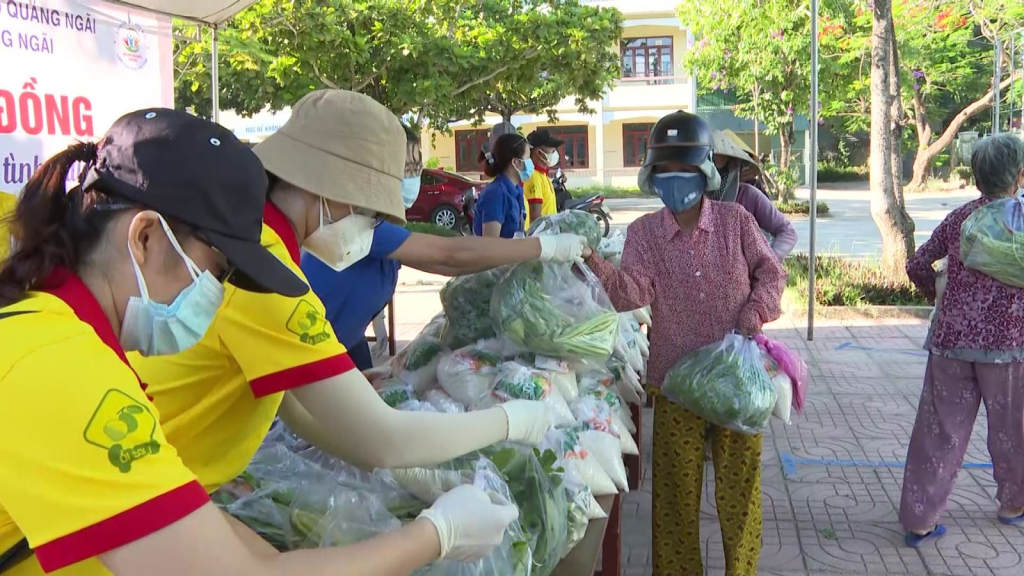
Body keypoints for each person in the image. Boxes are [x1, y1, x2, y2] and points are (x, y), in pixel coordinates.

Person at [0, 109, 516, 576]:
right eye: (216, 271)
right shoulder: (59, 367)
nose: (217, 297)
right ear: (145, 238)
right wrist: (436, 535)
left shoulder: (58, 330)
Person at [130, 91, 557, 498]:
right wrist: (511, 419)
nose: (369, 226)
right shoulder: (264, 270)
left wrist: (342, 399)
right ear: (328, 188)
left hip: (165, 473)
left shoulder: (253, 236)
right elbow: (385, 439)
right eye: (369, 212)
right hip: (150, 487)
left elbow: (289, 399)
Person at [582, 111, 786, 575]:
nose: (675, 179)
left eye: (685, 169)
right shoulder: (645, 234)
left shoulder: (736, 222)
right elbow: (632, 292)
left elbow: (772, 274)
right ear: (653, 175)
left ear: (705, 171)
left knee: (740, 494)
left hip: (736, 381)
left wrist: (755, 310)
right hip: (676, 385)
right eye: (666, 170)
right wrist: (591, 258)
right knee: (675, 499)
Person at [301, 120, 587, 371]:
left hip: (341, 347)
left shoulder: (383, 227)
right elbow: (448, 255)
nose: (414, 177)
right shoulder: (355, 227)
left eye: (417, 168)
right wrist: (548, 247)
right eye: (407, 169)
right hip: (305, 356)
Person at [899, 133, 1024, 547]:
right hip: (1009, 345)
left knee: (939, 431)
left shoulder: (960, 218)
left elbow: (917, 263)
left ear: (976, 177)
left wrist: (936, 294)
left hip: (951, 341)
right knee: (1013, 429)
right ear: (1019, 176)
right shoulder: (1020, 222)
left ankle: (920, 518)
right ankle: (1013, 504)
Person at [710, 130, 797, 260]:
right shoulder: (693, 200)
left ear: (735, 166)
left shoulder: (749, 196)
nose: (712, 173)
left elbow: (787, 231)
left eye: (717, 166)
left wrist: (770, 261)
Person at [474, 133, 532, 238]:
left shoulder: (516, 189)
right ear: (515, 162)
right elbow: (491, 243)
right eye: (528, 157)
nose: (531, 163)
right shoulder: (495, 194)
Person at [523, 129, 562, 227]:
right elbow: (535, 218)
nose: (554, 151)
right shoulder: (534, 177)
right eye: (551, 148)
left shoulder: (543, 175)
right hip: (541, 234)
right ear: (539, 153)